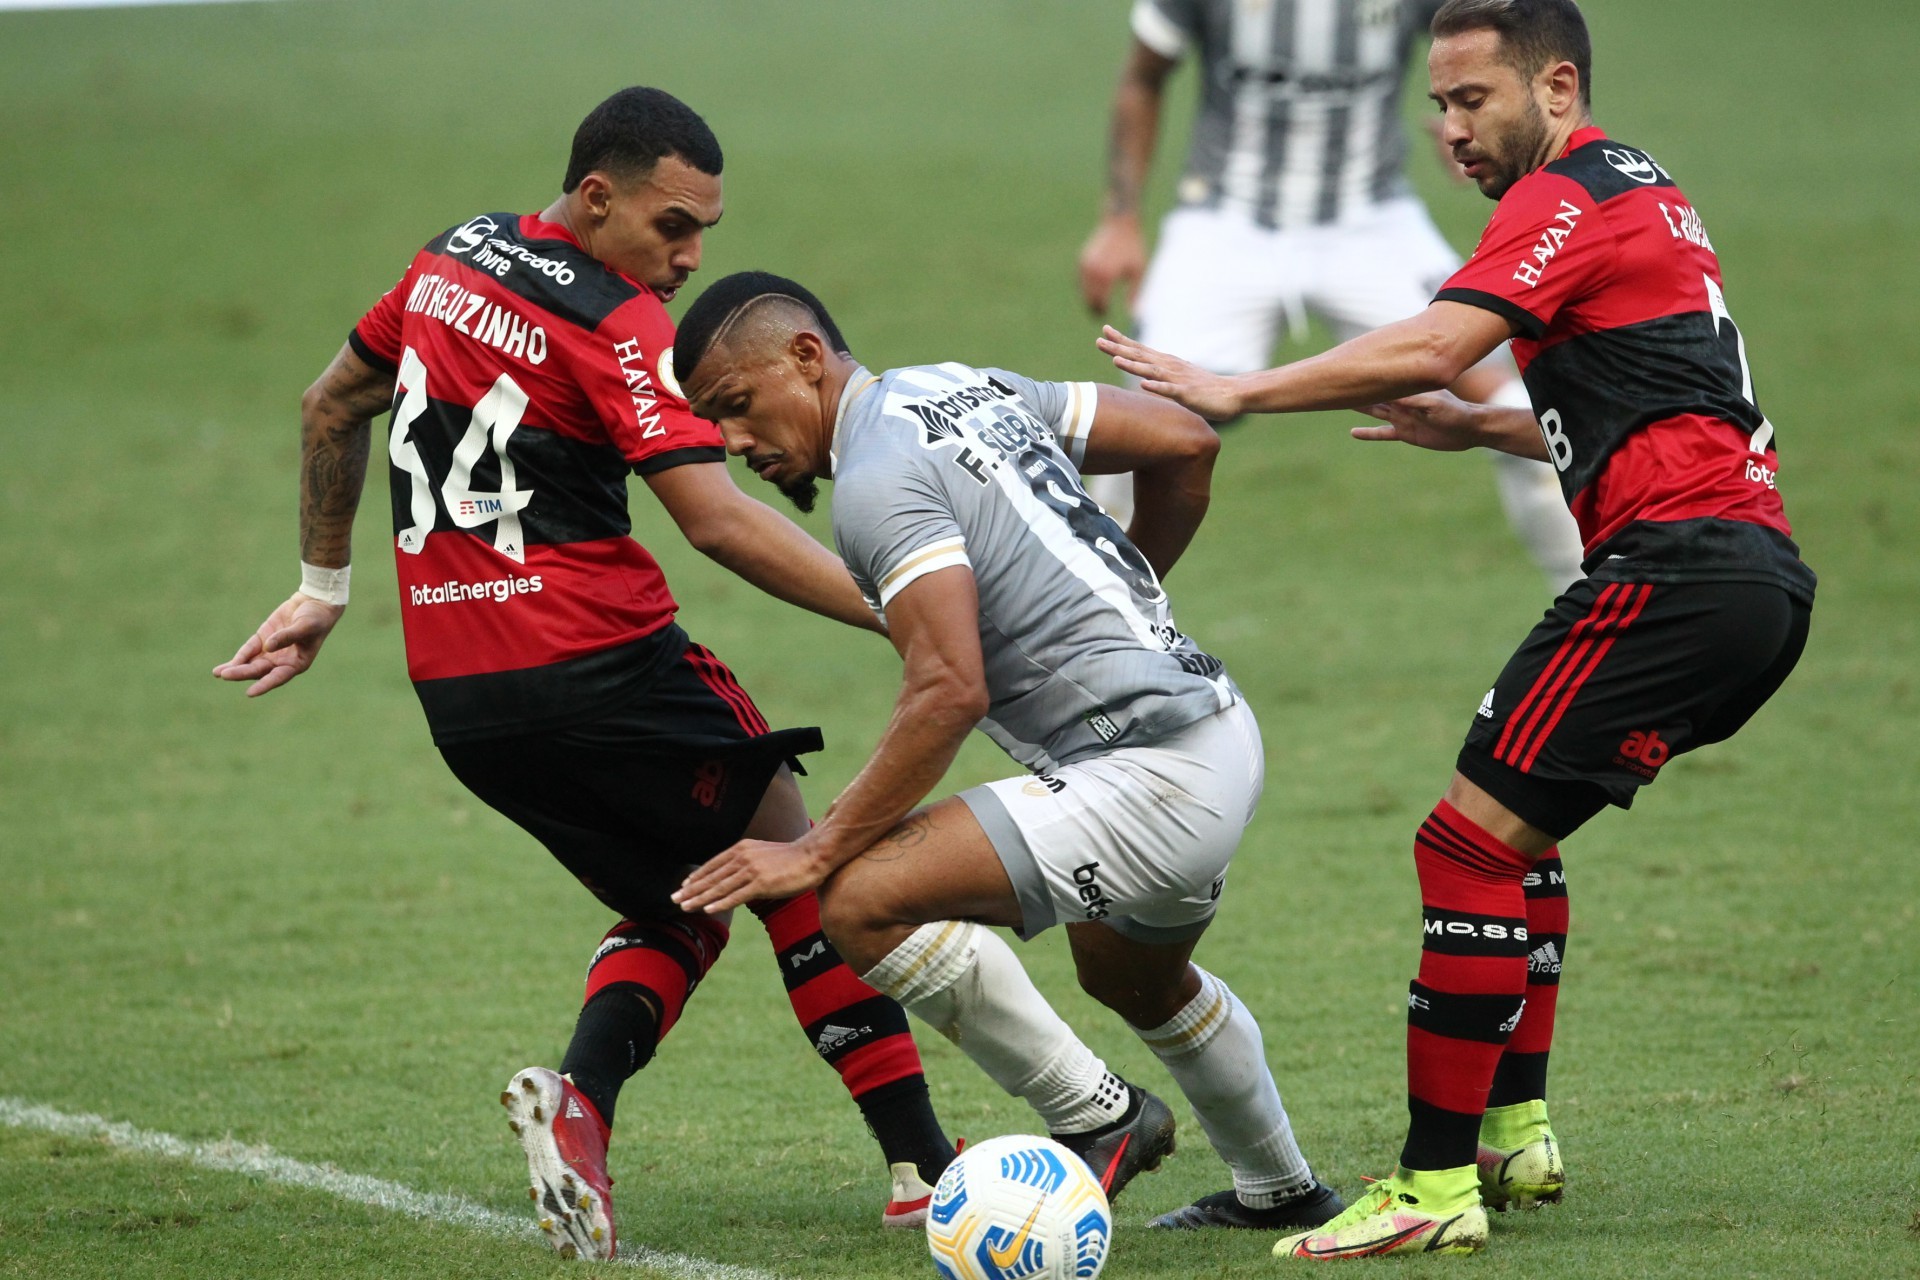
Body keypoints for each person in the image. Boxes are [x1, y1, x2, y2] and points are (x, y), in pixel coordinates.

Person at [1100, 0, 1815, 1258]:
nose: (1449, 128)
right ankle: (1513, 1129)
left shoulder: (1562, 197)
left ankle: (1432, 1185)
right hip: (1750, 578)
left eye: (1472, 99)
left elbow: (1443, 336)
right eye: (1435, 104)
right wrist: (1488, 425)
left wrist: (1243, 385)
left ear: (1555, 86)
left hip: (1677, 572)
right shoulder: (1649, 191)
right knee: (1518, 835)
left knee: (1462, 846)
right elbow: (1661, 390)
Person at [211, 88, 956, 1262]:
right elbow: (715, 522)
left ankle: (583, 1107)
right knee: (793, 847)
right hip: (598, 658)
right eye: (671, 227)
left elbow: (329, 402)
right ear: (598, 196)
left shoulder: (450, 259)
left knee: (688, 894)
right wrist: (896, 612)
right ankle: (926, 1167)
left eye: (703, 228)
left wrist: (322, 588)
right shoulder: (616, 325)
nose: (690, 257)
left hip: (463, 699)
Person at [667, 270, 1347, 1234]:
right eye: (715, 425)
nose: (736, 444)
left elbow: (948, 690)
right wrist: (1128, 593)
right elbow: (1186, 441)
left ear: (806, 358)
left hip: (1147, 774)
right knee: (1133, 978)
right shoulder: (963, 383)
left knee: (853, 898)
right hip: (1219, 731)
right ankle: (1283, 1188)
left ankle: (1099, 1121)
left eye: (738, 407)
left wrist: (817, 847)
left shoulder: (872, 484)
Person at [1077, 0, 1585, 593]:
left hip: (1370, 220)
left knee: (1522, 399)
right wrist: (1119, 219)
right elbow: (1144, 75)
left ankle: (1611, 608)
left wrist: (1492, 132)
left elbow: (1504, 44)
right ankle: (1088, 622)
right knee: (1146, 412)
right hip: (1226, 221)